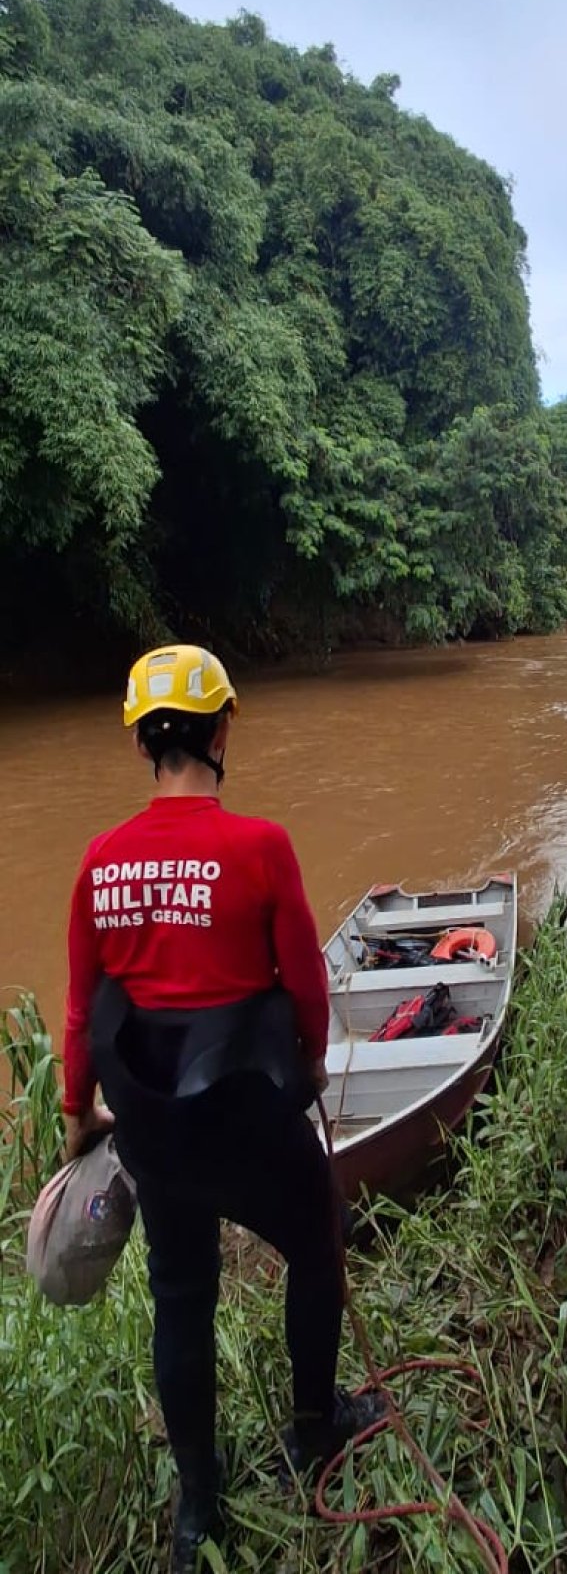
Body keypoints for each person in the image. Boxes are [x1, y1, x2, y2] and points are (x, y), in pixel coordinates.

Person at [62, 643, 383, 1572]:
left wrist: (77, 1116)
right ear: (222, 726)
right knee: (319, 1233)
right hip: (246, 1120)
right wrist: (314, 1068)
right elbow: (304, 982)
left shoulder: (98, 863)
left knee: (181, 1296)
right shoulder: (260, 847)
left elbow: (82, 1012)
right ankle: (316, 1428)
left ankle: (198, 1506)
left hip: (155, 1134)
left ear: (140, 743)